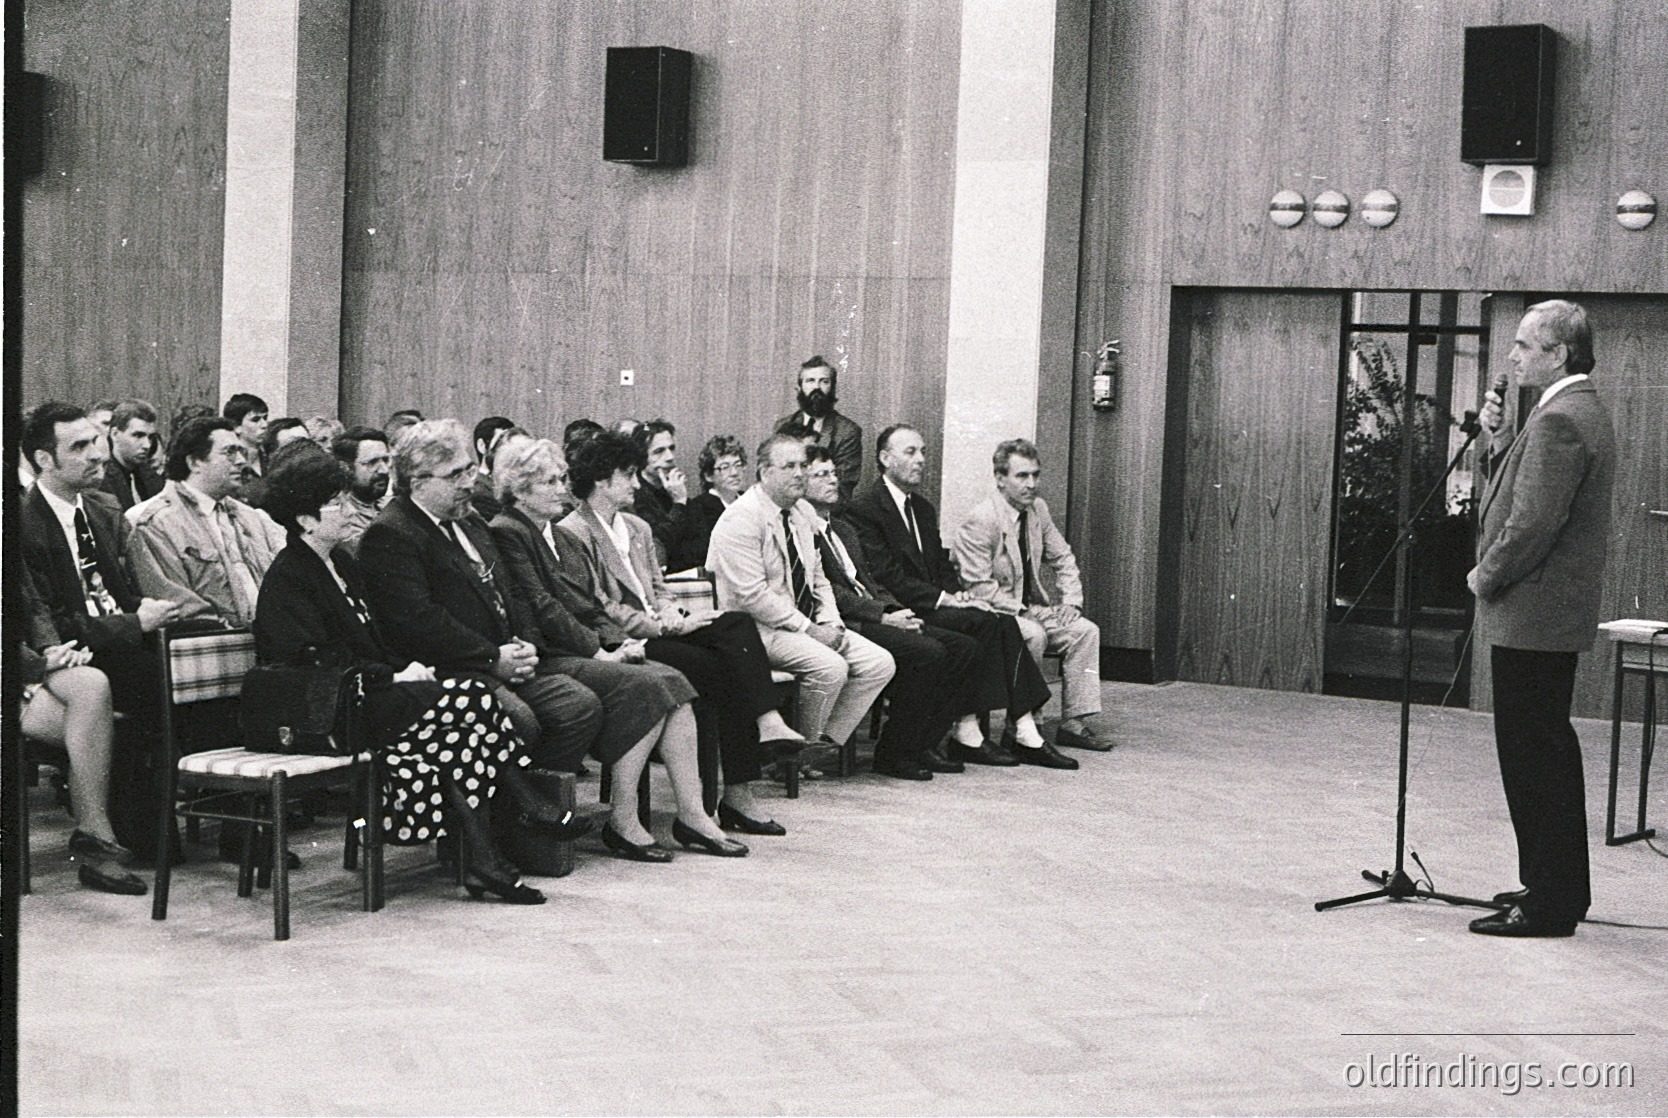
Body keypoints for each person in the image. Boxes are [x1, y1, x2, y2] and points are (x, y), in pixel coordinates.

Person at [254, 451, 589, 904]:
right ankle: (529, 806)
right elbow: (314, 661)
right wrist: (391, 674)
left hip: (366, 697)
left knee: (462, 738)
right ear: (305, 520)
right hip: (323, 713)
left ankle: (483, 861)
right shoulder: (290, 576)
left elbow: (372, 642)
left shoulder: (343, 565)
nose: (350, 510)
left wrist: (400, 669)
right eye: (336, 503)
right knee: (470, 698)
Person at [490, 438, 747, 859]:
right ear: (519, 490)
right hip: (549, 654)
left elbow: (588, 603)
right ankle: (624, 819)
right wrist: (599, 651)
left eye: (561, 478)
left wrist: (620, 640)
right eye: (550, 481)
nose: (562, 488)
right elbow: (545, 606)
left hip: (580, 646)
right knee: (645, 685)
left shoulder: (557, 535)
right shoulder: (509, 530)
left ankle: (693, 814)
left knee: (675, 685)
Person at [560, 429, 805, 836]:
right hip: (630, 638)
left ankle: (763, 727)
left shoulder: (636, 527)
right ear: (602, 481)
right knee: (723, 667)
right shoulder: (575, 531)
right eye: (629, 476)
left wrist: (674, 611)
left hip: (664, 626)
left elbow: (657, 587)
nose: (638, 484)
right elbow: (600, 606)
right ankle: (736, 792)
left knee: (736, 626)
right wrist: (662, 623)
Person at [1465, 299, 1617, 938]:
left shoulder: (1560, 420)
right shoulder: (1568, 411)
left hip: (1532, 612)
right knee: (1540, 753)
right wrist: (1497, 441)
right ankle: (1548, 884)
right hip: (1542, 616)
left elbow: (1530, 525)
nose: (1513, 354)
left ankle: (1552, 902)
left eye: (1525, 345)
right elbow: (1519, 496)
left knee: (1534, 756)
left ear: (1558, 353)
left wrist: (1485, 575)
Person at [355, 419, 605, 776]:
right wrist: (492, 659)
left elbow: (511, 592)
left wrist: (526, 646)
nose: (468, 483)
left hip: (502, 658)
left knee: (578, 706)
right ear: (418, 481)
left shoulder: (469, 519)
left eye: (469, 469)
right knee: (517, 720)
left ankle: (530, 810)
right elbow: (421, 623)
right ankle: (506, 817)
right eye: (454, 475)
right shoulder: (391, 534)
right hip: (447, 669)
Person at [844, 425, 1070, 768]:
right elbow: (888, 575)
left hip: (933, 602)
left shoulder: (921, 507)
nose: (920, 460)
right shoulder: (865, 509)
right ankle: (981, 733)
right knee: (984, 629)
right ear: (884, 458)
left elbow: (938, 563)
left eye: (922, 451)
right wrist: (944, 599)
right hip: (903, 606)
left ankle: (1014, 729)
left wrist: (961, 594)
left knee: (998, 622)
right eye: (910, 452)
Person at [21, 403, 184, 857]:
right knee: (156, 685)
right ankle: (132, 836)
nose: (98, 455)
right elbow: (53, 622)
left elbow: (114, 594)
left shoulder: (98, 510)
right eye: (80, 446)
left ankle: (232, 827)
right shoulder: (25, 525)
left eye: (96, 442)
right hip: (78, 652)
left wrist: (140, 608)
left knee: (186, 676)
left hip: (108, 642)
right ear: (44, 460)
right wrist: (134, 622)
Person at [706, 433, 896, 771]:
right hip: (754, 631)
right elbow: (753, 596)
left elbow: (818, 577)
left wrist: (832, 622)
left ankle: (814, 748)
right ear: (764, 472)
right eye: (789, 466)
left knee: (879, 663)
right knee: (830, 666)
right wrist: (810, 629)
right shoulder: (741, 519)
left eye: (803, 466)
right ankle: (791, 758)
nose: (800, 474)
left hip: (800, 624)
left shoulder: (799, 512)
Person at [802, 445, 980, 780]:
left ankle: (922, 743)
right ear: (801, 482)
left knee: (963, 648)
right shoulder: (802, 529)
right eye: (820, 474)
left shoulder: (843, 530)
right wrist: (882, 615)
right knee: (928, 652)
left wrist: (899, 611)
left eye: (833, 473)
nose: (833, 480)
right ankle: (894, 752)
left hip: (878, 611)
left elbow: (868, 581)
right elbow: (828, 592)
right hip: (849, 621)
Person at [18, 507, 150, 895]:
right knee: (96, 731)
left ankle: (94, 830)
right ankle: (100, 853)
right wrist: (37, 663)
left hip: (30, 664)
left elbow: (34, 604)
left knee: (92, 685)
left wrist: (52, 649)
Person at [952, 439, 1113, 752]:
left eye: (1035, 475)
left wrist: (1070, 602)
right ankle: (1025, 726)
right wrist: (1021, 610)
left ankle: (1073, 723)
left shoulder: (1037, 510)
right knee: (1034, 635)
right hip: (991, 612)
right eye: (1022, 476)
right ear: (1000, 478)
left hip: (1029, 608)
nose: (1031, 484)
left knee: (1085, 631)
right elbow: (977, 586)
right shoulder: (981, 519)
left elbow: (1063, 556)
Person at [126, 416, 287, 627]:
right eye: (229, 452)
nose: (241, 461)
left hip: (271, 641)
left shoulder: (249, 517)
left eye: (241, 452)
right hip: (215, 646)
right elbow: (180, 606)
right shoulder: (157, 524)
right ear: (194, 462)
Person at [775, 356, 863, 502]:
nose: (817, 387)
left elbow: (842, 489)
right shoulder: (782, 426)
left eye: (824, 381)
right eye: (810, 381)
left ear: (832, 388)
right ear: (799, 388)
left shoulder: (847, 431)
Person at [630, 418, 704, 572]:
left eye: (671, 448)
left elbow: (702, 545)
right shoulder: (635, 496)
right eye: (659, 451)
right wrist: (679, 503)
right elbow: (660, 546)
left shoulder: (675, 488)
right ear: (642, 456)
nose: (670, 457)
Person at [686, 435, 748, 568]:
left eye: (738, 465)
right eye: (725, 467)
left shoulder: (750, 501)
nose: (734, 473)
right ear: (708, 476)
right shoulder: (697, 508)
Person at [329, 425, 392, 548]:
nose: (384, 470)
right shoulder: (341, 517)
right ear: (346, 468)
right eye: (372, 463)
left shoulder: (392, 506)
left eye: (385, 460)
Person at [98, 398, 165, 512]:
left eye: (150, 437)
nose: (147, 445)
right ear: (114, 434)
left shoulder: (153, 478)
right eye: (138, 435)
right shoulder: (100, 480)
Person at [223, 393, 270, 477]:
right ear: (236, 426)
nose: (264, 425)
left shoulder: (271, 459)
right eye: (255, 420)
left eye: (265, 418)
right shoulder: (226, 463)